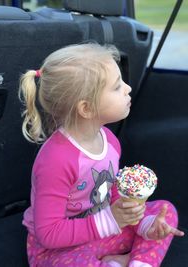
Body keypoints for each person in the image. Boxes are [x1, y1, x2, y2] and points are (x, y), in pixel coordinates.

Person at [19, 43, 184, 267]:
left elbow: (110, 195)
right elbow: (48, 234)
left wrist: (141, 222)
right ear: (86, 108)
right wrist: (111, 219)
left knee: (165, 212)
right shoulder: (56, 160)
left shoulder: (110, 141)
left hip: (101, 230)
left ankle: (137, 263)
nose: (127, 88)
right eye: (117, 87)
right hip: (55, 249)